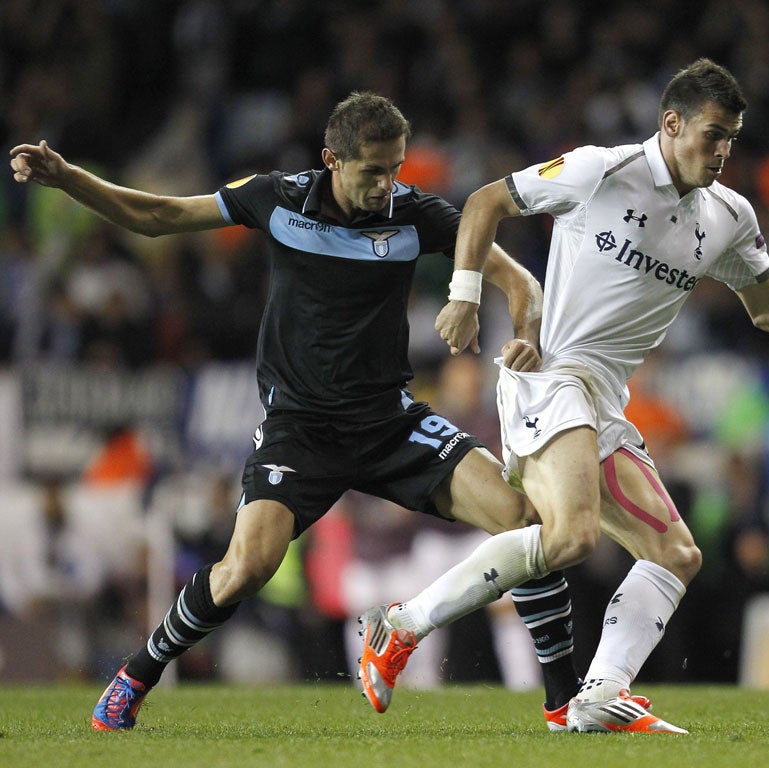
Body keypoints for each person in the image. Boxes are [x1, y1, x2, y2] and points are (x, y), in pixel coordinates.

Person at [358, 58, 769, 734]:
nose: (720, 152)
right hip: (551, 373)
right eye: (711, 134)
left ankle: (600, 693)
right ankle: (399, 629)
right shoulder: (601, 169)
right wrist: (465, 293)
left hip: (603, 398)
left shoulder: (728, 217)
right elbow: (485, 202)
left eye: (732, 140)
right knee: (573, 536)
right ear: (671, 123)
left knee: (677, 555)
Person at [10, 92, 586, 731]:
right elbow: (156, 215)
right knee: (245, 569)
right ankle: (137, 674)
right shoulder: (277, 198)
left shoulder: (417, 215)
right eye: (373, 170)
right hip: (299, 429)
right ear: (330, 160)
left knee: (524, 522)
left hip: (389, 422)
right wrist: (67, 179)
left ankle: (564, 703)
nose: (386, 185)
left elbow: (521, 284)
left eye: (396, 169)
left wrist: (497, 316)